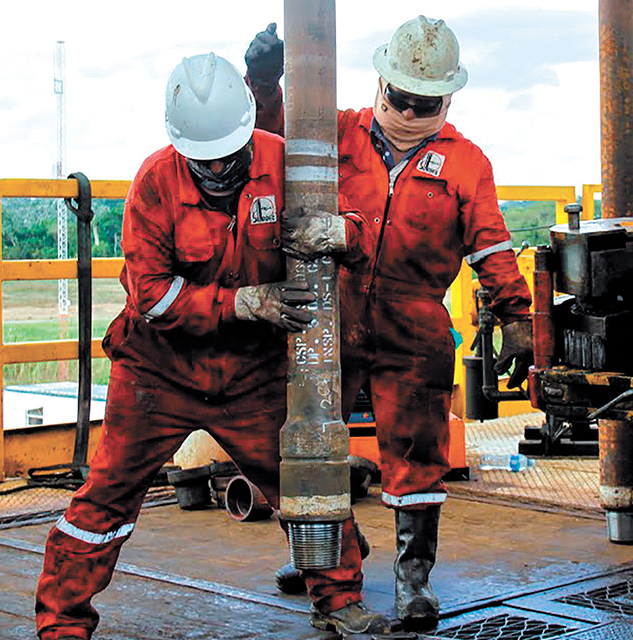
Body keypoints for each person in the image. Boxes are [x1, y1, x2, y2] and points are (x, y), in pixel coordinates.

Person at [33, 52, 391, 638]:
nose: (221, 166)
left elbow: (367, 228)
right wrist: (243, 303)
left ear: (250, 126)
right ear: (180, 147)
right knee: (107, 496)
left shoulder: (286, 163)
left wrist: (342, 231)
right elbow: (150, 295)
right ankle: (62, 624)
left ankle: (339, 600)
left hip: (250, 374)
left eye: (230, 151)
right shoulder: (154, 184)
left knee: (304, 477)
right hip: (158, 373)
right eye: (205, 159)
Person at [245, 17, 534, 631]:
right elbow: (270, 140)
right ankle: (326, 558)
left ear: (447, 99)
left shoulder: (465, 164)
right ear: (380, 82)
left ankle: (414, 583)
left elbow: (490, 246)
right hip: (332, 315)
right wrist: (264, 82)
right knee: (302, 439)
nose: (406, 110)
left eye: (422, 103)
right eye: (398, 97)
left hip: (414, 324)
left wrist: (516, 314)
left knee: (415, 453)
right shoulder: (338, 132)